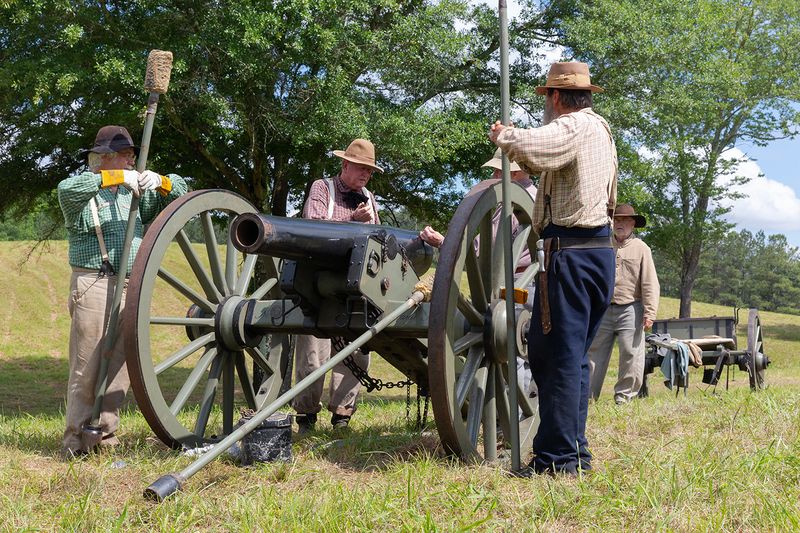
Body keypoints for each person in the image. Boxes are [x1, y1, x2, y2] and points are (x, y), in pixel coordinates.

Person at [489, 61, 618, 476]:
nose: (545, 103)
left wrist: (506, 136)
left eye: (546, 96)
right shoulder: (602, 131)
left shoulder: (576, 126)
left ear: (557, 97)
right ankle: (572, 453)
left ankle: (558, 460)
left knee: (559, 357)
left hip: (573, 253)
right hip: (595, 252)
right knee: (569, 357)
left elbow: (542, 146)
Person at [57, 125, 188, 458]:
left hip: (131, 284)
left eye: (132, 154)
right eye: (127, 154)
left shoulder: (135, 193)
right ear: (105, 158)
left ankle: (105, 436)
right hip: (95, 283)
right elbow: (67, 190)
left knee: (120, 366)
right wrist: (113, 178)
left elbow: (183, 194)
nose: (133, 160)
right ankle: (75, 440)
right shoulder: (84, 190)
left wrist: (161, 182)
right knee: (87, 367)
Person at [417, 148, 538, 398]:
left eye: (498, 170)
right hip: (520, 282)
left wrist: (446, 242)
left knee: (510, 349)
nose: (494, 174)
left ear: (515, 172)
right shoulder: (523, 198)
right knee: (517, 350)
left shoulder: (518, 202)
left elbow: (488, 247)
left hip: (517, 283)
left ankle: (511, 416)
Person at [292, 139, 382, 432]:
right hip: (319, 283)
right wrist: (352, 220)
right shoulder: (323, 188)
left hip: (357, 286)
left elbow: (379, 242)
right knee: (312, 354)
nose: (365, 175)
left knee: (355, 352)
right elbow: (314, 224)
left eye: (369, 170)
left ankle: (342, 416)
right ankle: (306, 416)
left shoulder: (369, 198)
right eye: (361, 168)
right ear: (345, 164)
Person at [588, 203, 659, 404]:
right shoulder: (602, 244)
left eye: (624, 220)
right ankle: (588, 398)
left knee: (631, 353)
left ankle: (624, 397)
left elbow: (649, 282)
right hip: (602, 307)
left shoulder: (642, 248)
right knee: (594, 352)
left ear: (633, 224)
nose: (619, 224)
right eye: (616, 219)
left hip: (631, 308)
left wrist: (650, 312)